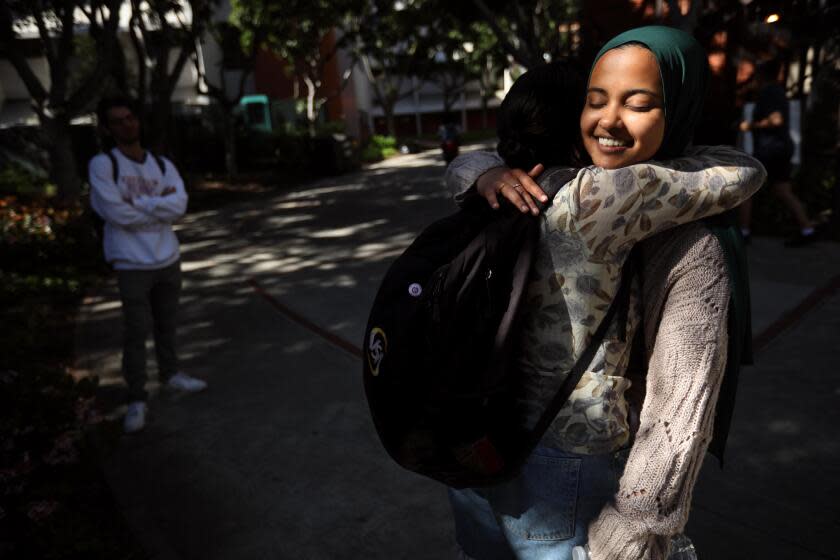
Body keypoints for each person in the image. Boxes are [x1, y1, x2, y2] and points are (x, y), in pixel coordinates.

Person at [444, 26, 764, 560]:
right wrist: (632, 532)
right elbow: (741, 171)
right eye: (595, 102)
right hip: (564, 454)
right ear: (573, 122)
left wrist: (486, 170)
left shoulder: (502, 192)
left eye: (636, 103)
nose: (608, 121)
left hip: (474, 436)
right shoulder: (603, 197)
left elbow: (458, 165)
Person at [89, 96, 207, 434]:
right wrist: (158, 203)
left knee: (167, 324)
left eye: (130, 118)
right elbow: (114, 212)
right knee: (136, 331)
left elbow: (180, 205)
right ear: (107, 128)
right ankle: (137, 397)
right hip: (131, 262)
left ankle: (170, 374)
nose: (126, 125)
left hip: (167, 257)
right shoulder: (103, 165)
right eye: (117, 121)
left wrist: (138, 202)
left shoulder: (161, 164)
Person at [738, 58, 816, 247]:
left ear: (762, 75)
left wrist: (750, 126)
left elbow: (777, 120)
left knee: (747, 188)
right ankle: (807, 229)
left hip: (770, 149)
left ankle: (743, 233)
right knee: (782, 190)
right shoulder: (777, 92)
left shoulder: (770, 92)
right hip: (779, 149)